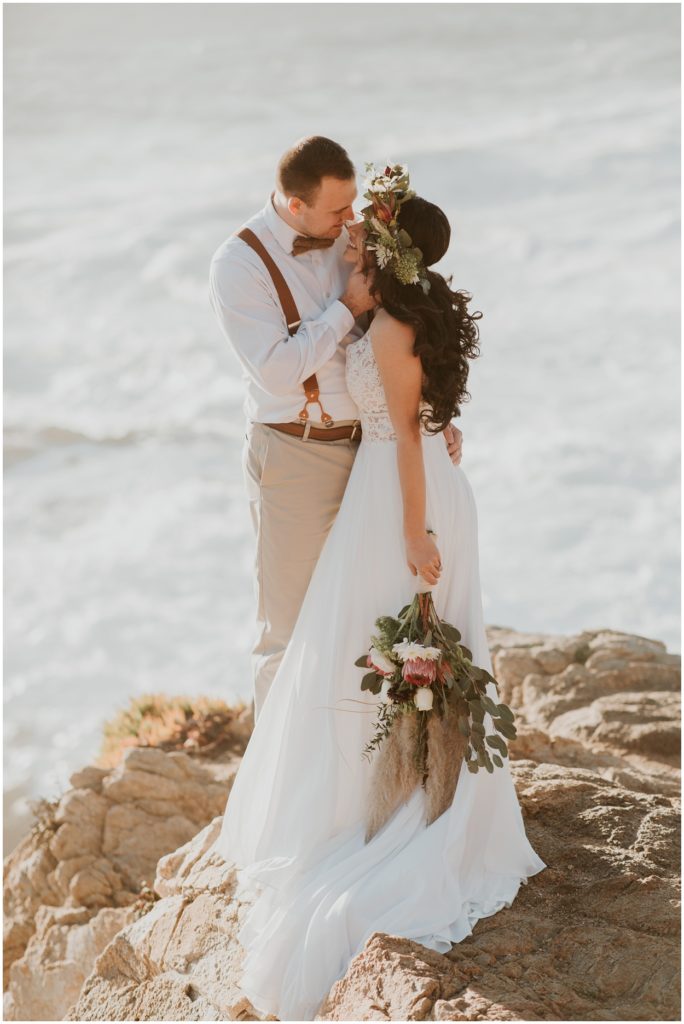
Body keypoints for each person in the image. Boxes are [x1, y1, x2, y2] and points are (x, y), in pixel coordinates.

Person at [209, 162, 547, 1021]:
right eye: (351, 219)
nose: (354, 229)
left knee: (403, 649)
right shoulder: (390, 311)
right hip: (392, 488)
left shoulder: (390, 321)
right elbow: (409, 407)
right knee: (377, 650)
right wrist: (436, 421)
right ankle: (384, 792)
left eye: (370, 226)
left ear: (392, 249)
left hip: (404, 498)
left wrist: (413, 528)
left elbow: (401, 431)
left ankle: (417, 808)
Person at [209, 136, 463, 721]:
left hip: (377, 452)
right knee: (290, 626)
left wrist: (434, 417)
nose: (352, 221)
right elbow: (276, 371)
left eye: (353, 206)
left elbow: (407, 331)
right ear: (294, 206)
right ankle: (277, 786)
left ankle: (353, 767)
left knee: (365, 613)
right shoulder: (239, 265)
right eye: (337, 211)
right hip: (299, 453)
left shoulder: (348, 233)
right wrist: (346, 307)